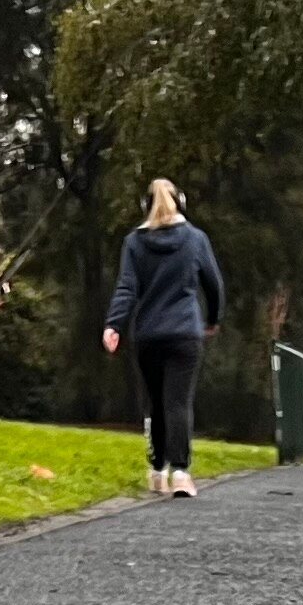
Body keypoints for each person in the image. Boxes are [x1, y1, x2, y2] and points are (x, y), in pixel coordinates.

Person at [101, 180, 223, 500]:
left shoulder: (134, 242)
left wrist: (114, 324)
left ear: (145, 206)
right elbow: (213, 284)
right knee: (178, 402)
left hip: (148, 335)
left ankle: (157, 472)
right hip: (185, 332)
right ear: (181, 202)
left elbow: (126, 287)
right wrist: (213, 319)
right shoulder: (196, 239)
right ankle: (181, 473)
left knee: (154, 403)